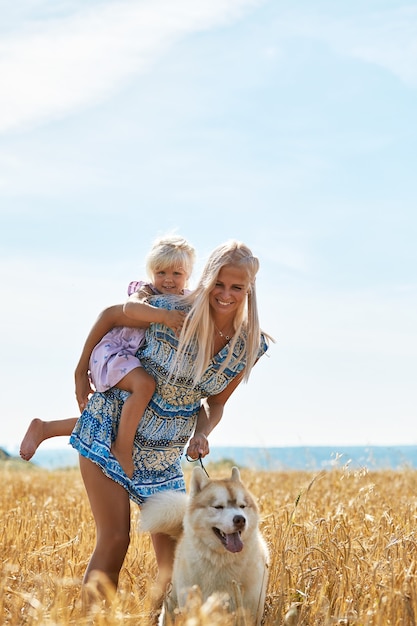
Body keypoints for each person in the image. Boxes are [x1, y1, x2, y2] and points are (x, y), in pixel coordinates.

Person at [69, 239, 273, 609]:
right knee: (115, 539)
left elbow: (216, 403)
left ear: (249, 289)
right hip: (112, 434)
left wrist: (202, 433)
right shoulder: (170, 310)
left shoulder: (248, 346)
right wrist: (80, 370)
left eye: (237, 287)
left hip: (164, 456)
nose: (225, 295)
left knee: (176, 560)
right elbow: (112, 316)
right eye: (219, 285)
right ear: (207, 281)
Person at [19, 234, 196, 479]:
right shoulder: (146, 292)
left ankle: (46, 428)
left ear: (188, 275)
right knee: (145, 386)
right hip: (116, 353)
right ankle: (122, 448)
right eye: (161, 272)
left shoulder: (187, 299)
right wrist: (163, 316)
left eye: (176, 274)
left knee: (114, 419)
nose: (168, 280)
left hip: (135, 359)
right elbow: (129, 309)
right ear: (151, 273)